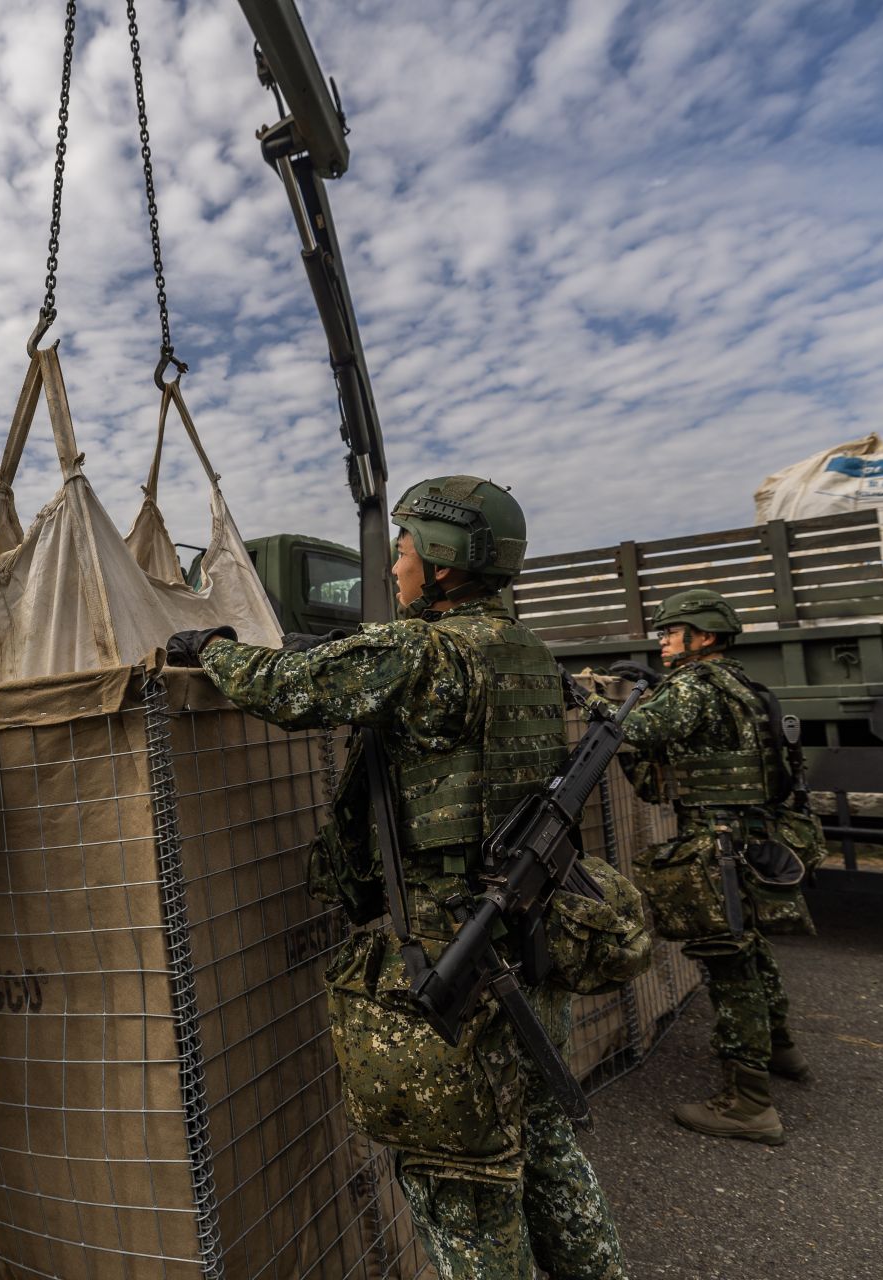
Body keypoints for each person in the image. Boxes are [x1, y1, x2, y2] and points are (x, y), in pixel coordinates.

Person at [169, 476, 647, 1279]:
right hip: (528, 940)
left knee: (466, 1185)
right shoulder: (528, 652)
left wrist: (212, 650)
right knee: (544, 1146)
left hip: (449, 948)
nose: (394, 566)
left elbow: (292, 691)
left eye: (403, 547)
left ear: (445, 560)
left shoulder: (424, 651)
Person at [593, 588, 822, 1146]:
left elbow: (630, 730)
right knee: (751, 945)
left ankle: (748, 1103)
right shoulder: (744, 686)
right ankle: (782, 1050)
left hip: (718, 842)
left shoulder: (696, 686)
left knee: (728, 961)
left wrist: (583, 698)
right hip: (755, 837)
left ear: (706, 637)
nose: (664, 639)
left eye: (674, 631)